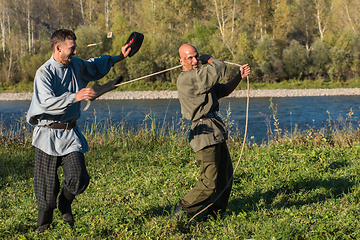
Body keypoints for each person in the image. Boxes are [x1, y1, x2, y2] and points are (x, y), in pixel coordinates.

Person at [26, 29, 131, 232]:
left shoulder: (75, 64)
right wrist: (75, 96)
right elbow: (46, 103)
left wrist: (119, 57)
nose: (75, 52)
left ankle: (65, 204)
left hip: (70, 134)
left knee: (79, 177)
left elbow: (93, 66)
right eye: (71, 48)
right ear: (58, 48)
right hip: (47, 136)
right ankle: (43, 227)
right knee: (47, 194)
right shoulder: (43, 73)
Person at [174, 44, 251, 220]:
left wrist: (239, 76)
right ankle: (182, 209)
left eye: (196, 57)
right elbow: (219, 67)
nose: (195, 61)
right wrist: (209, 59)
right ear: (181, 62)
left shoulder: (200, 79)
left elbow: (222, 90)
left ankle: (213, 213)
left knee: (225, 175)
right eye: (190, 58)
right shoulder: (188, 78)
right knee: (209, 181)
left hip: (214, 130)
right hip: (204, 133)